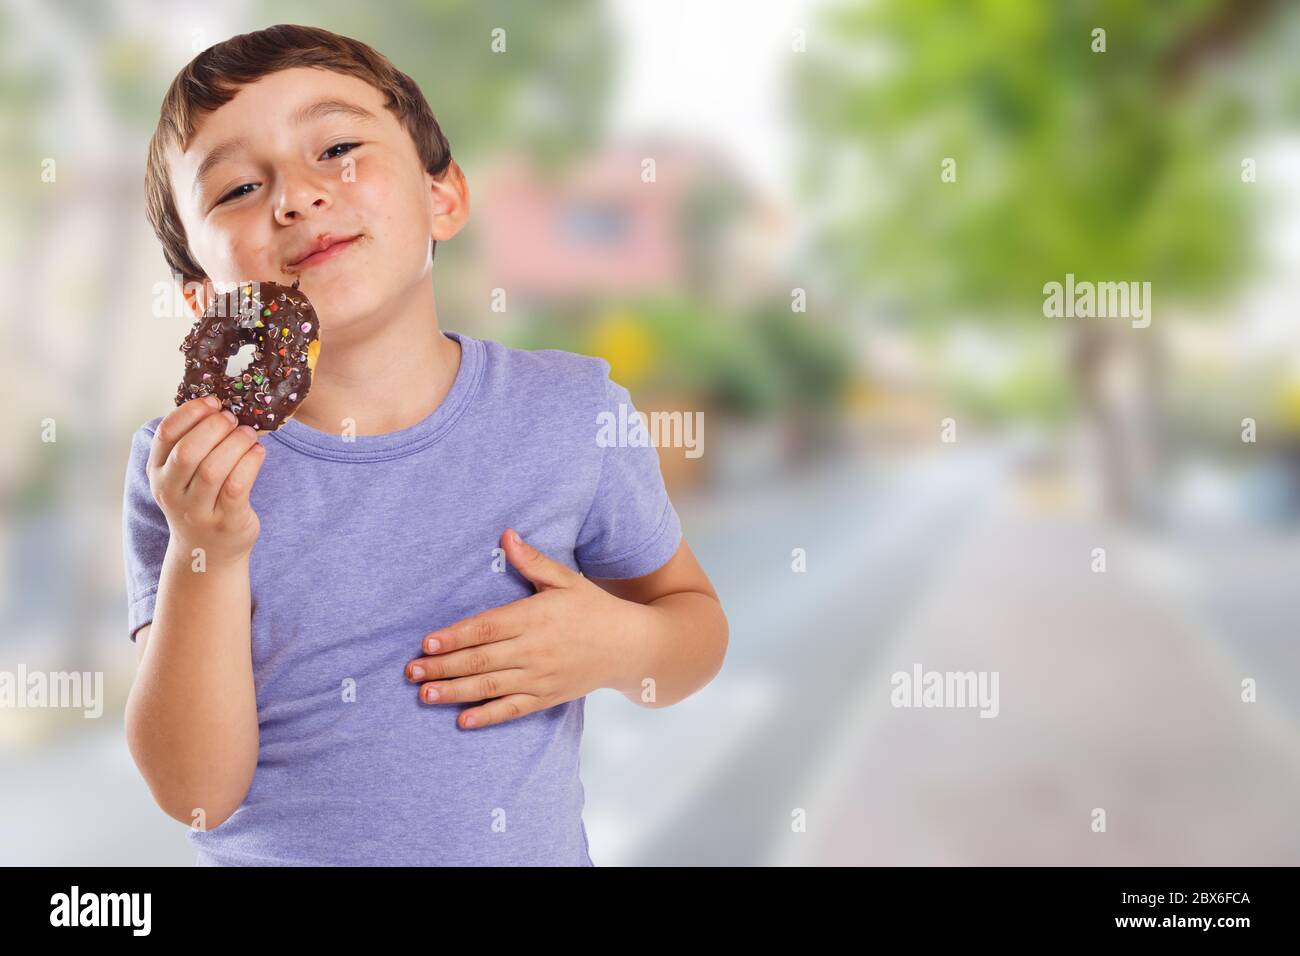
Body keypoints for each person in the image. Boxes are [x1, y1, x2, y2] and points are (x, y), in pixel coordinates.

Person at [122, 23, 728, 866]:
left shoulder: (571, 410)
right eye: (236, 190)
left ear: (443, 197)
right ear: (202, 301)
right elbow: (194, 791)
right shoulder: (185, 473)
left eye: (336, 147)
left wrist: (620, 647)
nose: (294, 197)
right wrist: (207, 554)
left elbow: (695, 629)